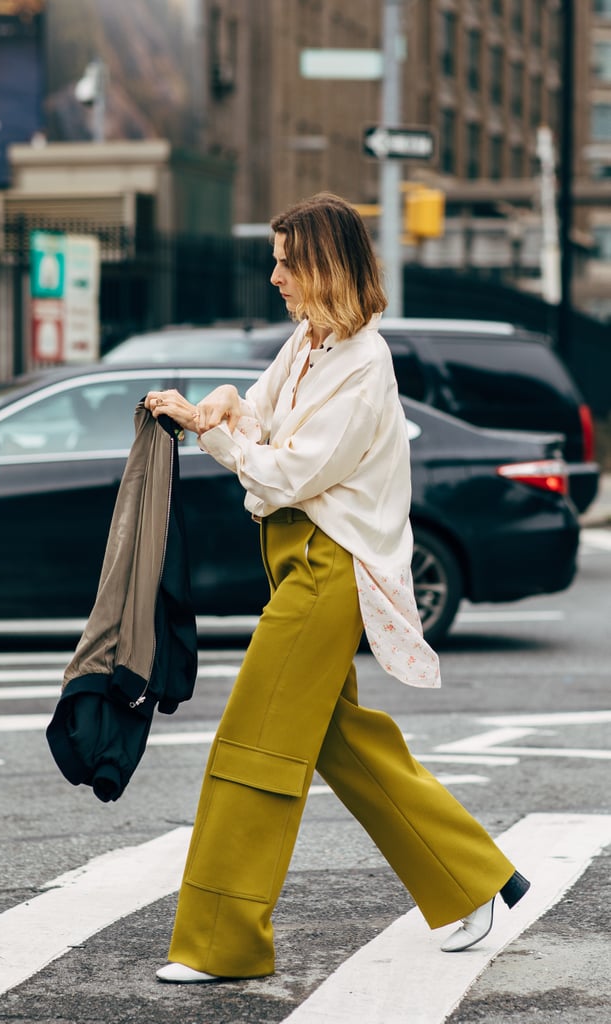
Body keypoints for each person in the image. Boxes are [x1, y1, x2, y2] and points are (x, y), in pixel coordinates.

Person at [144, 192, 530, 984]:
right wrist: (219, 407)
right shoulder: (309, 344)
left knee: (253, 741)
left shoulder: (364, 363)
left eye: (287, 261)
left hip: (328, 567)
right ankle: (474, 881)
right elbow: (255, 417)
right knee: (339, 740)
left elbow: (287, 471)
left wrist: (207, 427)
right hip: (293, 559)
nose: (275, 274)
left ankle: (221, 942)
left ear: (324, 266)